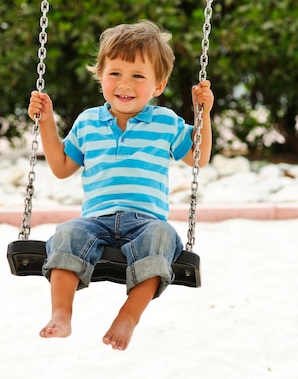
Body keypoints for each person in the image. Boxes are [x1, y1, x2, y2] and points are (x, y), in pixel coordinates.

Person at [27, 20, 214, 351]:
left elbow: (198, 157)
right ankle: (61, 314)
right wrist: (46, 121)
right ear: (100, 75)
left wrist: (203, 114)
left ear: (158, 85)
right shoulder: (87, 122)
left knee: (162, 240)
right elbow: (60, 167)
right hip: (95, 220)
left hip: (146, 222)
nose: (125, 84)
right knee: (66, 234)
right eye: (115, 73)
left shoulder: (165, 122)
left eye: (138, 76)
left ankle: (128, 317)